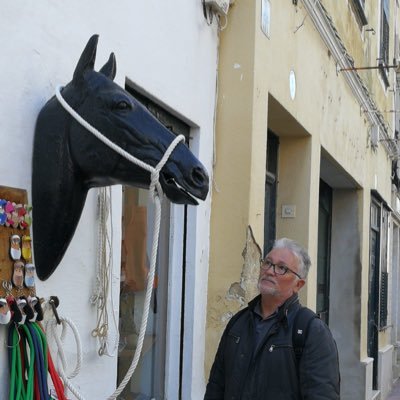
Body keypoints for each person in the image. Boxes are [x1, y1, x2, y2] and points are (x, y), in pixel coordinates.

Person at [204, 238, 340, 400]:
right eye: (267, 263)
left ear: (299, 285)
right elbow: (216, 386)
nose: (269, 271)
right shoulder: (238, 322)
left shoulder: (310, 330)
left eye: (281, 268)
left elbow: (322, 394)